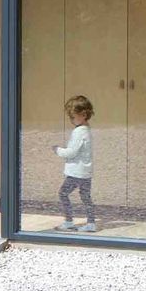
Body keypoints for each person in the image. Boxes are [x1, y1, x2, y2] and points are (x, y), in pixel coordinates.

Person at [54, 95, 98, 233]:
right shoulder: (87, 130)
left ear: (83, 115)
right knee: (85, 197)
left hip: (76, 172)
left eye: (73, 116)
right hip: (85, 172)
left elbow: (71, 152)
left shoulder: (79, 132)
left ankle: (68, 221)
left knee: (63, 193)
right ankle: (91, 223)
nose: (71, 120)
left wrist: (57, 150)